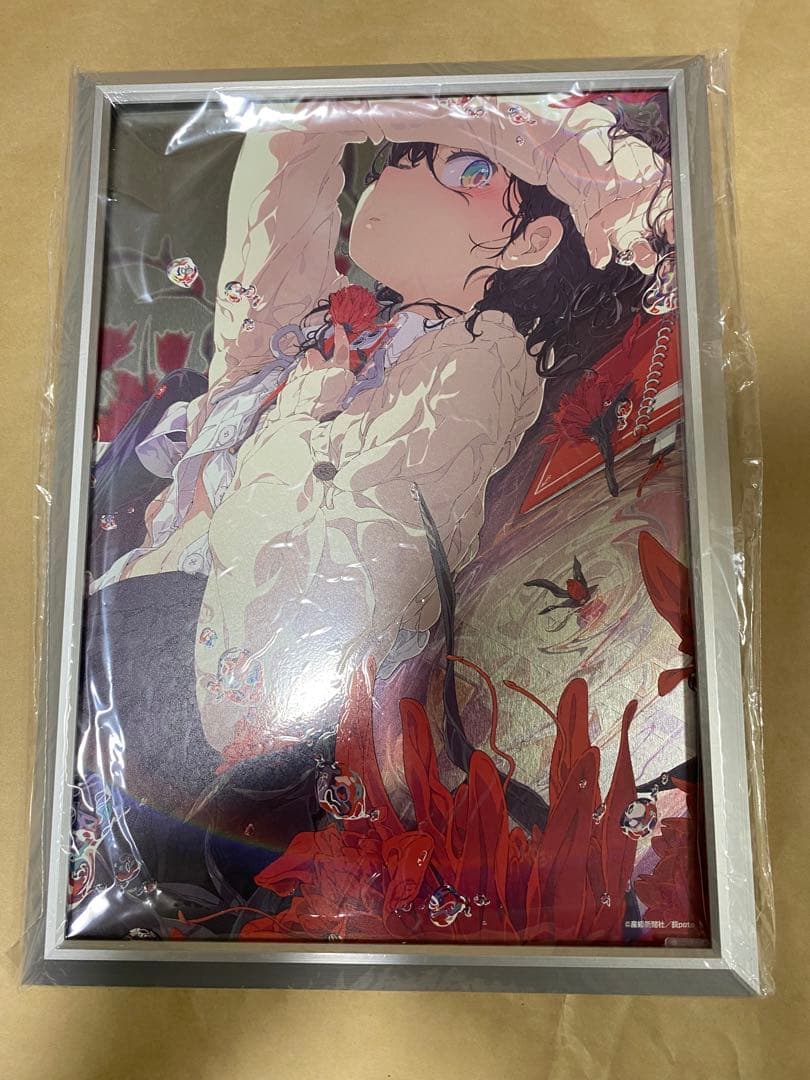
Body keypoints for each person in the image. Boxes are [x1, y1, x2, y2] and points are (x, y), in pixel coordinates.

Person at [78, 93, 672, 833]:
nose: (400, 178)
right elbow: (279, 187)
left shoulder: (483, 363)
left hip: (237, 693)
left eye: (469, 172)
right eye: (400, 156)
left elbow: (359, 550)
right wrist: (361, 102)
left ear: (531, 242)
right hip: (147, 634)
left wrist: (307, 404)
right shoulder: (326, 324)